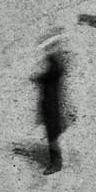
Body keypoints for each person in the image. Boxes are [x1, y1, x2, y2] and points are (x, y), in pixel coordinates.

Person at [32, 27, 72, 175]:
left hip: (52, 104)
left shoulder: (54, 65)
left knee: (52, 134)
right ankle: (55, 161)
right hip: (52, 102)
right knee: (52, 133)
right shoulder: (56, 61)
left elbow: (46, 77)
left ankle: (56, 163)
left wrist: (37, 78)